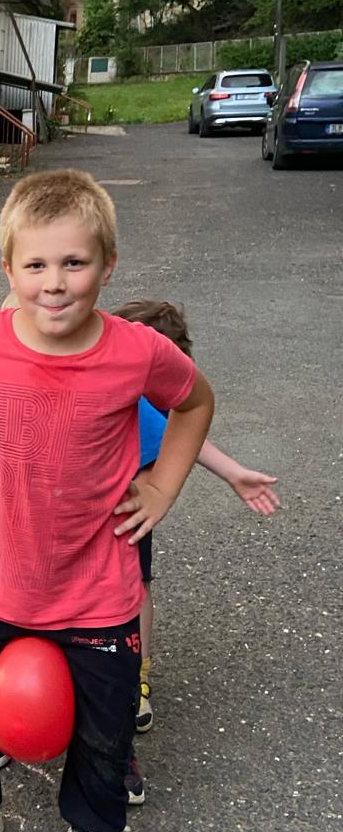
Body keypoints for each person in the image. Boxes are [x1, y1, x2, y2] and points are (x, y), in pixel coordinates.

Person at [0, 169, 214, 832]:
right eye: (36, 265)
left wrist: (161, 488)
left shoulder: (137, 350)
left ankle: (96, 828)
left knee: (107, 723)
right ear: (9, 270)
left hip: (95, 588)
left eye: (74, 263)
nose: (55, 283)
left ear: (107, 266)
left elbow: (195, 402)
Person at [114, 299, 279, 797]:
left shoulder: (151, 397)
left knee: (131, 594)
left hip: (126, 518)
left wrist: (232, 473)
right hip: (98, 515)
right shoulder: (115, 379)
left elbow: (185, 430)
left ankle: (133, 682)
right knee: (121, 597)